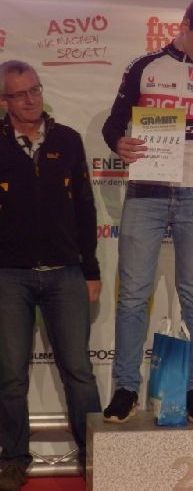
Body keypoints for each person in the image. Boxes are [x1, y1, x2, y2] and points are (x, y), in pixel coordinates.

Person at [100, 0, 193, 424]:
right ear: (184, 25)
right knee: (133, 295)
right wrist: (119, 143)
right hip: (146, 193)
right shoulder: (145, 67)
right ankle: (126, 389)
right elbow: (113, 126)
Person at [0, 60, 101, 490]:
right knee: (10, 376)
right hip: (9, 276)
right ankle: (13, 458)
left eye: (35, 90)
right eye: (20, 94)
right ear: (4, 101)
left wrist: (91, 270)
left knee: (78, 370)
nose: (30, 100)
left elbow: (85, 208)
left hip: (66, 273)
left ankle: (96, 455)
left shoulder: (68, 140)